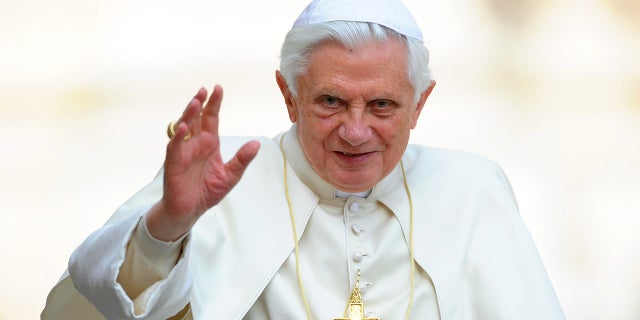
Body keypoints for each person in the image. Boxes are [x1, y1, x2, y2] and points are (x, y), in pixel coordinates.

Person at [42, 0, 565, 319]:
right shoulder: (228, 175)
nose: (355, 132)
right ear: (288, 96)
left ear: (420, 103)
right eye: (330, 102)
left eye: (382, 105)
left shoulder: (472, 189)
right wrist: (169, 225)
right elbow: (108, 303)